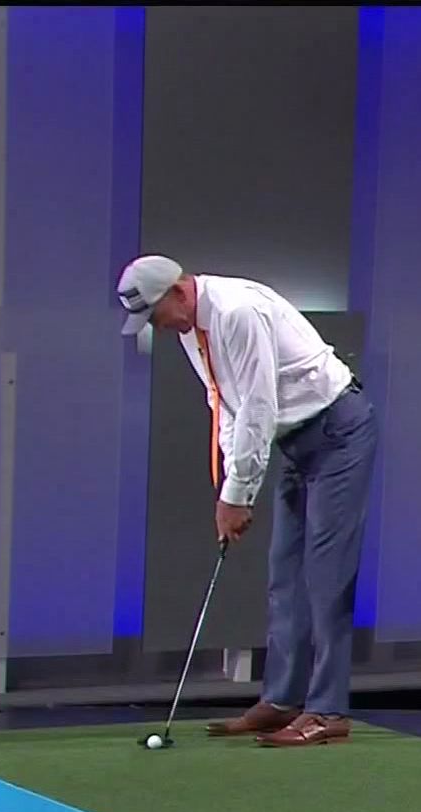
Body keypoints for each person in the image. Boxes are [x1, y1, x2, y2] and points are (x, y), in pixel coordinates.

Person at [117, 255, 378, 748]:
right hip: (296, 441)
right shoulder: (192, 329)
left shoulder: (236, 313)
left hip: (337, 433)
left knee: (326, 575)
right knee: (284, 574)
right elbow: (226, 407)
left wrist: (238, 496)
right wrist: (231, 492)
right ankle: (282, 700)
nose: (158, 326)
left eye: (155, 313)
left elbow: (259, 408)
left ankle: (328, 711)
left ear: (178, 292)